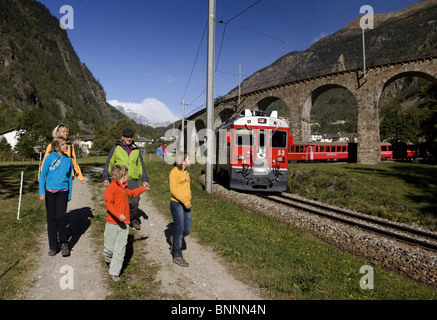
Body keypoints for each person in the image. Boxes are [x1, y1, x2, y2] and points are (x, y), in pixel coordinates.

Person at [103, 164, 147, 283]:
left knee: (120, 249)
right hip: (112, 223)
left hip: (124, 224)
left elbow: (132, 193)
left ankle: (114, 272)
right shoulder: (111, 189)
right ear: (123, 176)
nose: (128, 176)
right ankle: (109, 259)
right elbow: (109, 204)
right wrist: (118, 214)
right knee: (109, 249)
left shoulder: (124, 188)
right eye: (127, 174)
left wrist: (143, 188)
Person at [102, 128, 150, 230]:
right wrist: (105, 177)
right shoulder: (116, 148)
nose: (129, 139)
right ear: (122, 137)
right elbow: (109, 162)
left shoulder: (136, 149)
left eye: (131, 137)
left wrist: (144, 179)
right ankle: (117, 219)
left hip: (132, 179)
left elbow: (140, 165)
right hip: (118, 180)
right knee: (119, 202)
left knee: (134, 201)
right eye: (127, 137)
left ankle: (132, 218)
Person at [39, 137, 73, 257]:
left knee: (61, 217)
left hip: (62, 192)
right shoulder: (49, 158)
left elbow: (69, 178)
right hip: (50, 192)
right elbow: (42, 175)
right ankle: (53, 246)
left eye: (66, 144)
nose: (66, 146)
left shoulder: (69, 160)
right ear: (57, 146)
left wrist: (69, 193)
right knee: (51, 219)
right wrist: (41, 192)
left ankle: (64, 243)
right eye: (63, 144)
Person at [169, 152, 192, 267]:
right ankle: (177, 255)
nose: (190, 160)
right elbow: (174, 190)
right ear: (182, 161)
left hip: (186, 204)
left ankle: (175, 239)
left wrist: (188, 200)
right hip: (177, 204)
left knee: (187, 229)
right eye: (188, 159)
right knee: (179, 228)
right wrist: (185, 201)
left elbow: (186, 189)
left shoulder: (186, 173)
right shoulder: (174, 172)